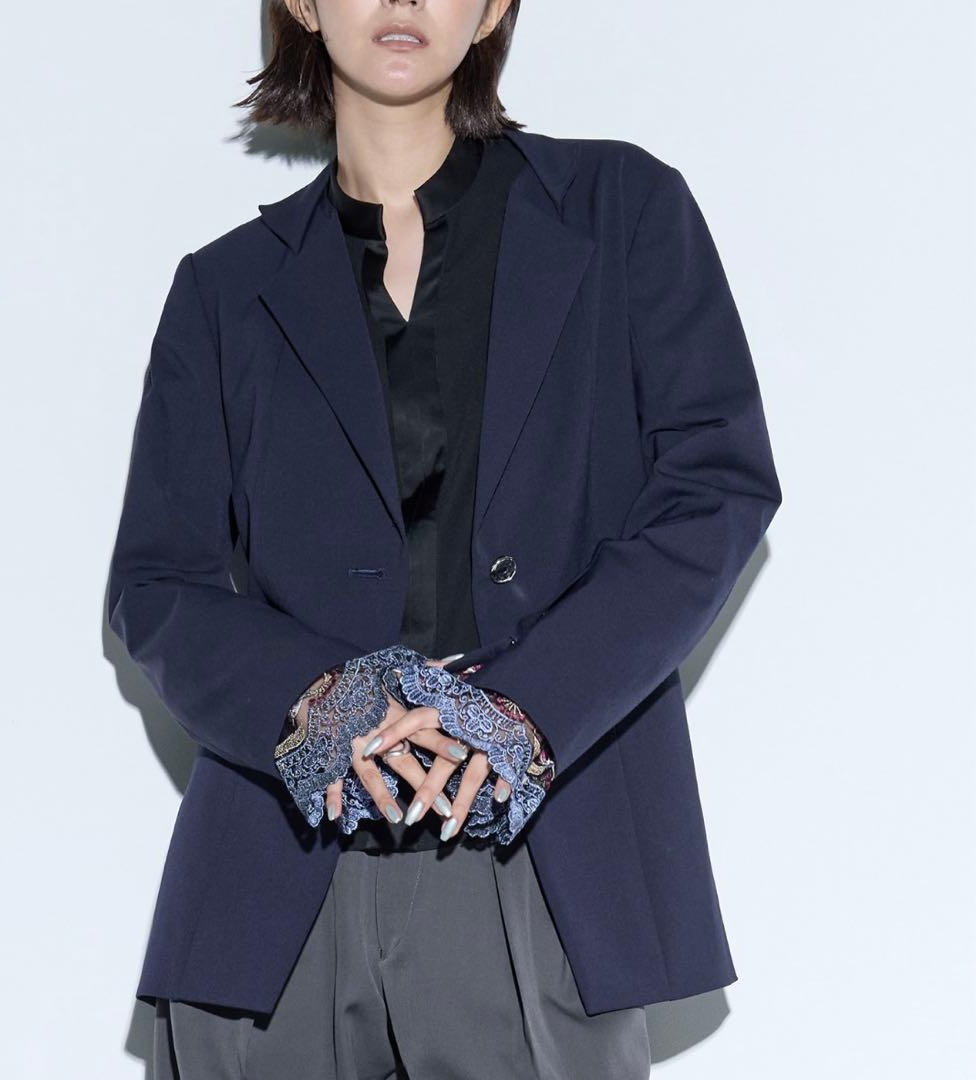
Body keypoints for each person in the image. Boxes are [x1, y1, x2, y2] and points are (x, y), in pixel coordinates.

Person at [106, 1, 782, 1077]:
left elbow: (717, 486)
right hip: (276, 879)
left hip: (538, 854)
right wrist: (314, 700)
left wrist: (527, 706)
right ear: (303, 4)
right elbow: (157, 585)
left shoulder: (623, 209)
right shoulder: (222, 289)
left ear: (497, 5)